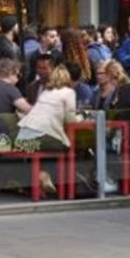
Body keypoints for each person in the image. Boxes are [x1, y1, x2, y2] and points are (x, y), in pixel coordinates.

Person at [15, 65, 80, 195]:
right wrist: (81, 116)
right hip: (41, 139)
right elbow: (70, 120)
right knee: (65, 147)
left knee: (47, 146)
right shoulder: (69, 92)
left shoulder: (46, 92)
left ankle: (43, 175)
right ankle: (62, 186)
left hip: (21, 141)